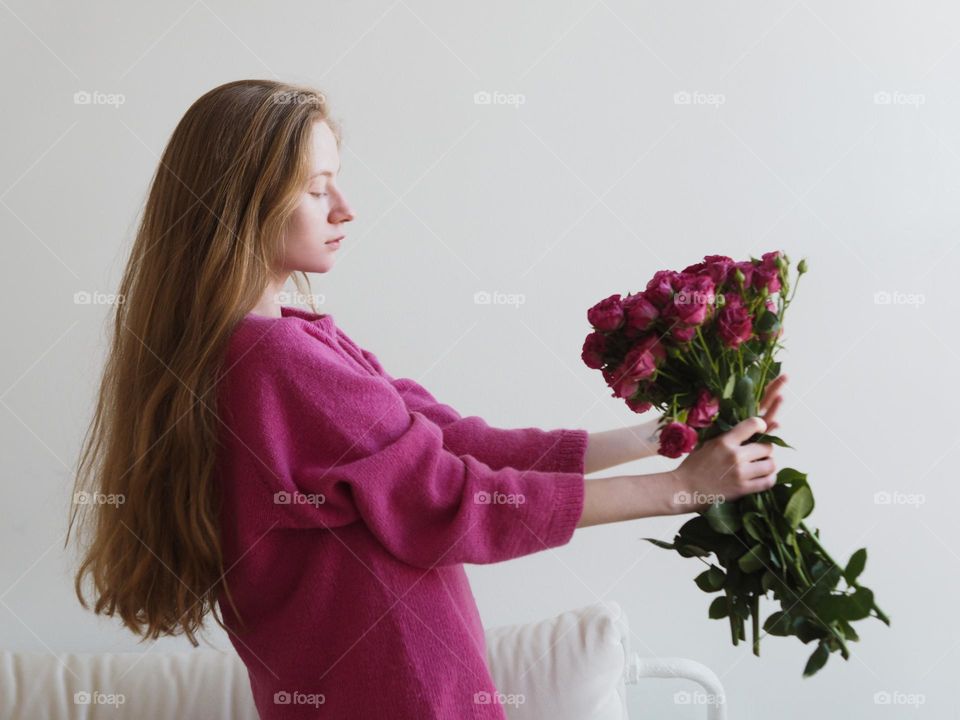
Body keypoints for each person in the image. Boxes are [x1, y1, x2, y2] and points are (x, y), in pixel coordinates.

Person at [68, 79, 786, 719]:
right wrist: (679, 491)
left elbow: (455, 440)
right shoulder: (274, 361)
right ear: (241, 199)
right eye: (317, 189)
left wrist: (666, 436)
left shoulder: (285, 345)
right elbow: (452, 499)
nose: (345, 208)